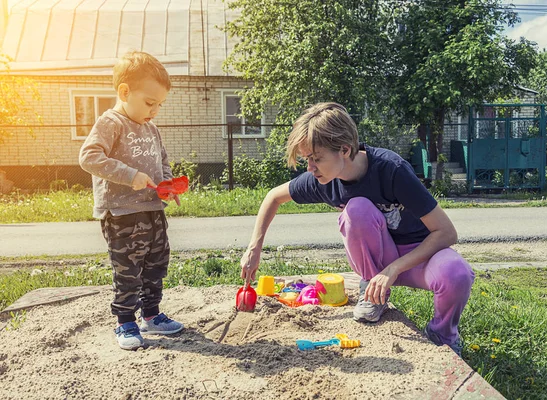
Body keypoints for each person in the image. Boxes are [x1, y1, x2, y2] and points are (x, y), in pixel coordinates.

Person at [240, 102, 474, 355]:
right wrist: (254, 249)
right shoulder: (323, 180)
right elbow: (273, 197)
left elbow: (447, 232)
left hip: (420, 259)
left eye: (317, 159)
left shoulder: (391, 169)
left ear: (344, 149)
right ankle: (373, 295)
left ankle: (442, 334)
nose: (310, 168)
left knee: (457, 273)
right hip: (377, 266)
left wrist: (393, 269)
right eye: (307, 159)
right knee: (357, 210)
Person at [79, 51, 183, 350]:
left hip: (153, 209)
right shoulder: (110, 122)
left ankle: (151, 315)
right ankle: (125, 320)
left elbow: (161, 161)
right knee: (128, 269)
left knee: (156, 264)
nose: (155, 110)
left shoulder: (150, 127)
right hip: (122, 212)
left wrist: (167, 184)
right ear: (124, 92)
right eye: (150, 103)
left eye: (159, 104)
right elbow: (89, 157)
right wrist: (128, 174)